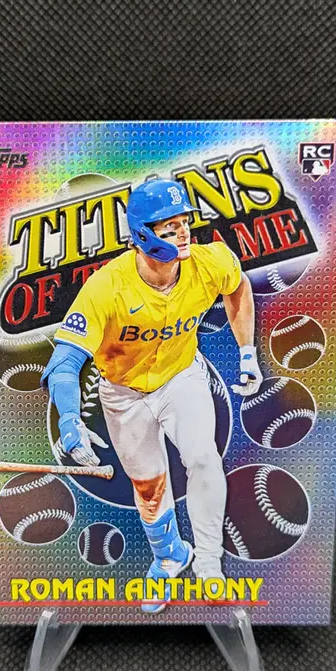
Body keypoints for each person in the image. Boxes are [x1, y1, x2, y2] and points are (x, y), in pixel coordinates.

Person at [41, 178, 262, 613]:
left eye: (185, 223)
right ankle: (169, 556)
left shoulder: (210, 261)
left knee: (203, 457)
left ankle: (209, 562)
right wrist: (69, 419)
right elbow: (64, 363)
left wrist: (248, 352)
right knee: (149, 487)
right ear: (143, 234)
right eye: (169, 227)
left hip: (182, 376)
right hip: (123, 392)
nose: (183, 233)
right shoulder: (106, 288)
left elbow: (237, 286)